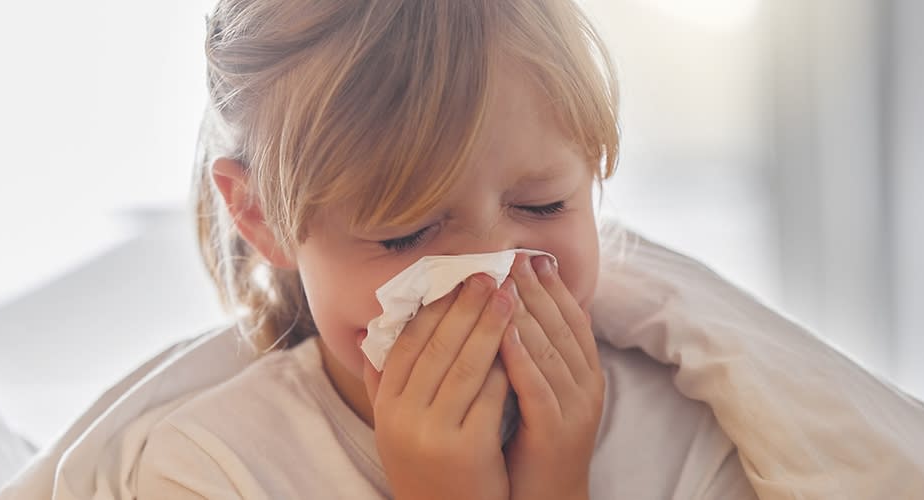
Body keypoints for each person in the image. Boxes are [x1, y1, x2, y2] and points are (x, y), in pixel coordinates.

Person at [135, 0, 757, 498]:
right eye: (403, 233)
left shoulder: (692, 429)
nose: (489, 276)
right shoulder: (212, 467)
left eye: (542, 205)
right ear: (259, 216)